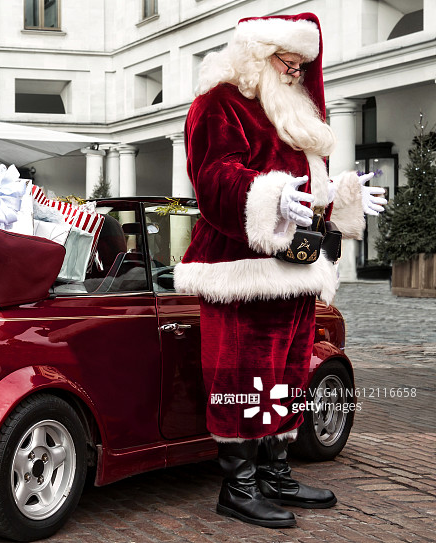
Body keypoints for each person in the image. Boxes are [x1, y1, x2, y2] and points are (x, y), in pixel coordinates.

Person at [175, 13, 387, 528]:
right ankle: (238, 485)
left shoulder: (288, 112)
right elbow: (213, 179)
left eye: (298, 65)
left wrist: (337, 195)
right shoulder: (219, 103)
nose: (293, 73)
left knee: (289, 372)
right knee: (244, 374)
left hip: (295, 268)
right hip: (240, 268)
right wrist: (267, 196)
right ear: (255, 54)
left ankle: (274, 471)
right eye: (285, 62)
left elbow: (304, 193)